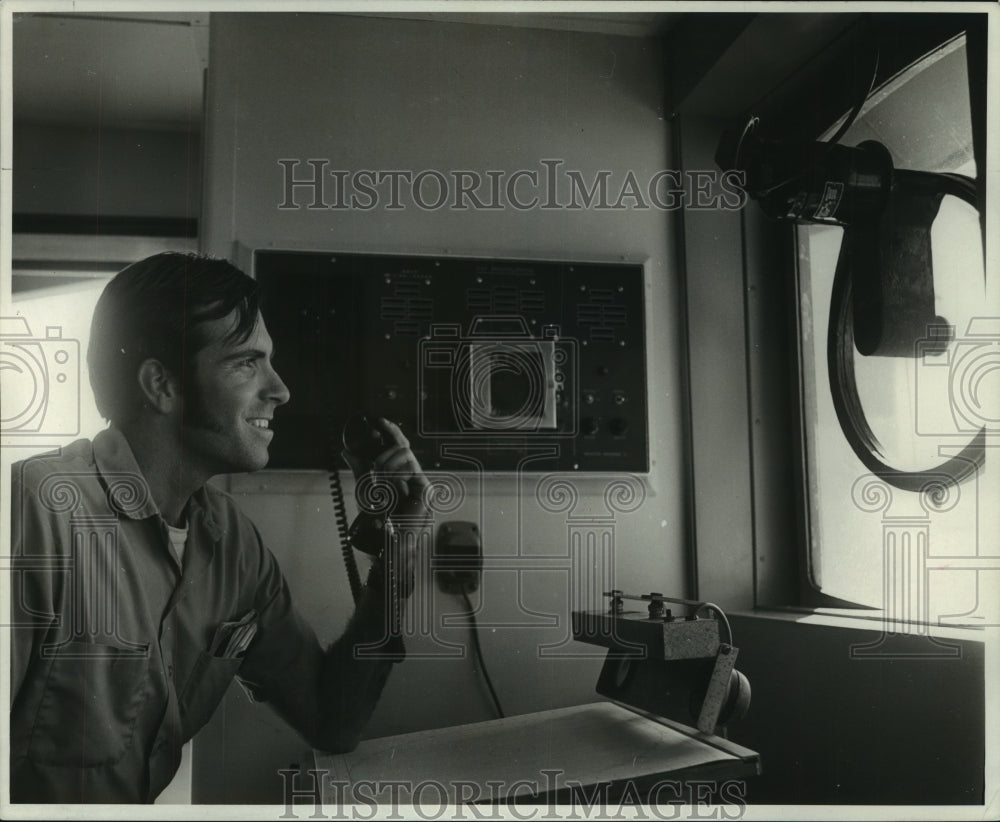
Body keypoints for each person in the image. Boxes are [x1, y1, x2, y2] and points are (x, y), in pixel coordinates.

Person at [9, 252, 427, 804]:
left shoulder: (235, 546)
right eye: (246, 363)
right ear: (161, 384)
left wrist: (399, 548)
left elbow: (333, 722)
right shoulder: (35, 512)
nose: (280, 390)